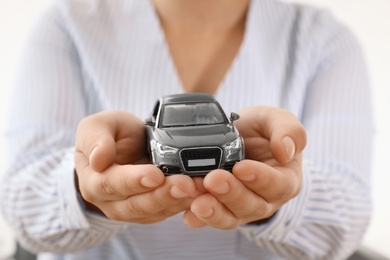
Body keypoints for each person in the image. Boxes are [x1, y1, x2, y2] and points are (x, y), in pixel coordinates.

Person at [0, 0, 374, 259]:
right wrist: (84, 185)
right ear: (152, 126)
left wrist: (275, 202)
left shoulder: (326, 43)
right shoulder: (66, 25)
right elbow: (20, 198)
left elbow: (347, 215)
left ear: (231, 124)